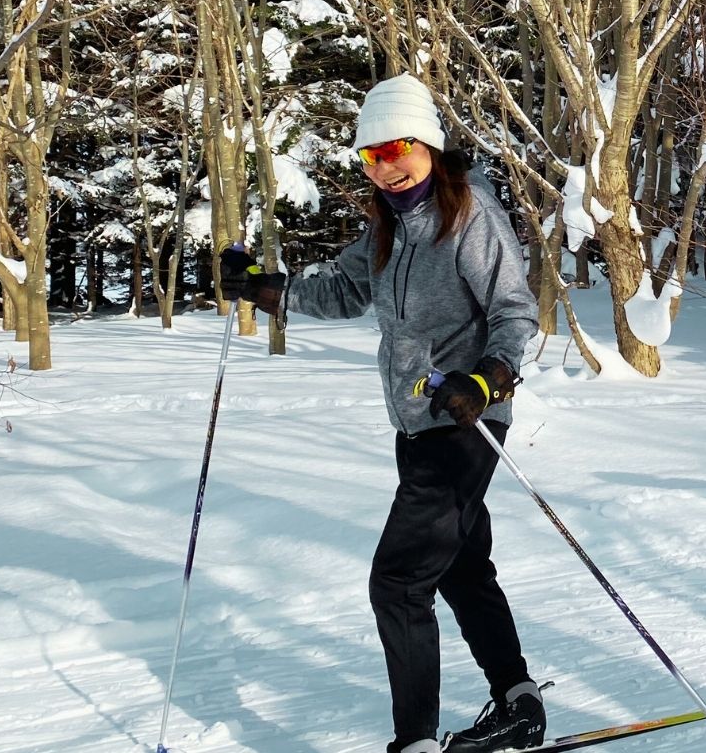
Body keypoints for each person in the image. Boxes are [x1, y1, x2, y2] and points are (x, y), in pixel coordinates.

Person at [220, 74, 544, 753]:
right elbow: (339, 289)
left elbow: (516, 311)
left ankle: (415, 742)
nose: (387, 167)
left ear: (427, 143)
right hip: (417, 424)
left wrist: (488, 379)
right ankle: (519, 702)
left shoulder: (470, 215)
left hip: (464, 421)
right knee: (458, 565)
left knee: (398, 582)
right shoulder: (390, 227)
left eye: (397, 148)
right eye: (371, 156)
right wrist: (261, 288)